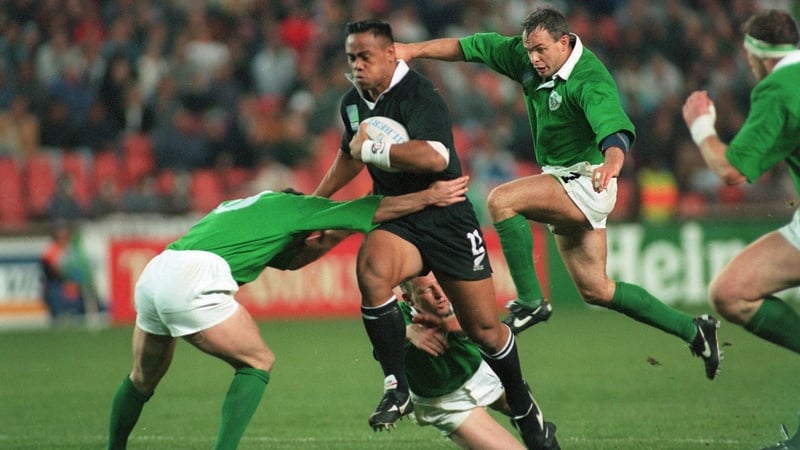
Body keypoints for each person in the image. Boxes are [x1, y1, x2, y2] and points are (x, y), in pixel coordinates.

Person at [395, 6, 721, 379]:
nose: (533, 59)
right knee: (597, 289)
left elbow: (613, 131)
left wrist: (613, 163)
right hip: (563, 178)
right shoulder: (525, 55)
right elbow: (470, 46)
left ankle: (532, 302)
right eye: (529, 50)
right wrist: (412, 51)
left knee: (502, 201)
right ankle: (695, 330)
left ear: (564, 43)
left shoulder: (589, 79)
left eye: (541, 50)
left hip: (587, 180)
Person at [313, 19, 558, 449]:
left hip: (447, 216)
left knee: (484, 330)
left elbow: (433, 156)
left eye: (365, 57)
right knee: (372, 270)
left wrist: (372, 149)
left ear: (391, 55)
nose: (356, 66)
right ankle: (397, 385)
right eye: (351, 57)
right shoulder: (352, 103)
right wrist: (317, 200)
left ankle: (522, 405)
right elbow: (348, 155)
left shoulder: (420, 94)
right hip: (400, 218)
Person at [106, 178, 470, 450]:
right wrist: (428, 197)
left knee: (141, 379)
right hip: (193, 280)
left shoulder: (244, 206)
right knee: (257, 361)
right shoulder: (296, 209)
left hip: (157, 272)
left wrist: (337, 233)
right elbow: (369, 207)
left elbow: (291, 262)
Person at [681, 9, 800, 450]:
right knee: (731, 290)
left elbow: (731, 170)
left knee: (729, 293)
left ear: (757, 53)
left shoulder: (779, 87)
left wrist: (701, 126)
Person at [399, 272, 525, 450]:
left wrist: (449, 325)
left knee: (530, 415)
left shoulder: (459, 296)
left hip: (482, 373)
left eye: (440, 283)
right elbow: (381, 340)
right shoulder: (395, 317)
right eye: (427, 289)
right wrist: (407, 332)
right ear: (409, 299)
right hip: (448, 403)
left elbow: (485, 322)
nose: (439, 294)